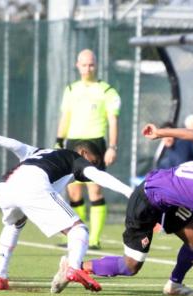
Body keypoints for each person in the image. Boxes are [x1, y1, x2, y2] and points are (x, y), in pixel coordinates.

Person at [51, 123, 193, 296]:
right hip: (146, 200)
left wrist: (160, 132)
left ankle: (174, 285)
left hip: (168, 202)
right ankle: (75, 266)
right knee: (131, 266)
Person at [0, 120, 132, 292]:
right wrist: (129, 192)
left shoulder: (40, 151)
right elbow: (99, 176)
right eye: (93, 161)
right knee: (79, 230)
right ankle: (73, 267)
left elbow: (14, 144)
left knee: (14, 224)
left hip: (6, 185)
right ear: (83, 152)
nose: (92, 166)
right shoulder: (76, 159)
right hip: (34, 184)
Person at [56, 49, 121, 250]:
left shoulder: (107, 91)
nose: (87, 68)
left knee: (95, 190)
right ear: (78, 65)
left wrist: (112, 147)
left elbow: (113, 120)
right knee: (74, 191)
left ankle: (94, 239)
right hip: (72, 142)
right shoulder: (70, 89)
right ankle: (76, 234)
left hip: (95, 143)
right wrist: (59, 141)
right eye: (84, 64)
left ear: (96, 65)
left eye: (91, 64)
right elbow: (65, 117)